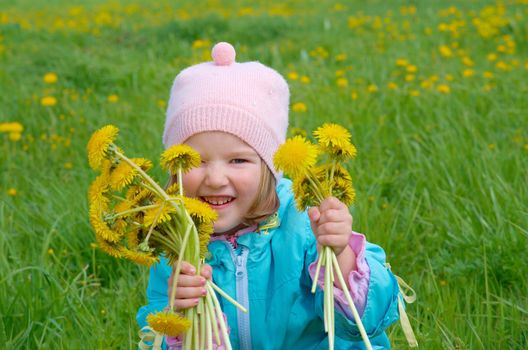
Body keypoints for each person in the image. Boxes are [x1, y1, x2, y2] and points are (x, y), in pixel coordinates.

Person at [136, 42, 402, 349]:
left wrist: (341, 253)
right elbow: (152, 333)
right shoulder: (175, 244)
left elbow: (363, 324)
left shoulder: (304, 223)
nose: (215, 178)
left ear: (270, 169)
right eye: (195, 161)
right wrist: (179, 320)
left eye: (238, 160)